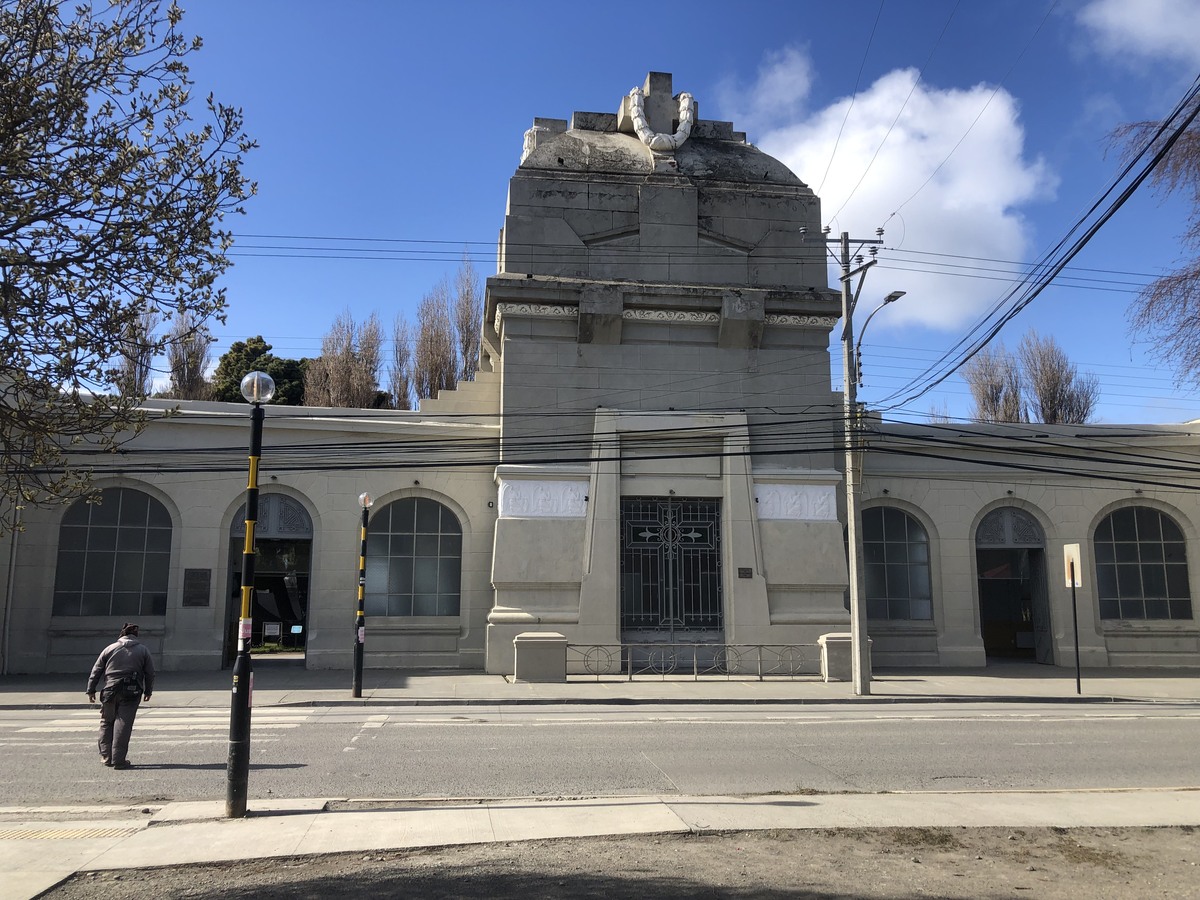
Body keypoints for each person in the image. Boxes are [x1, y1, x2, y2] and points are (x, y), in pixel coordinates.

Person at [86, 623, 155, 769]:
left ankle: (106, 756)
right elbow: (150, 673)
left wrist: (91, 690)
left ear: (121, 634)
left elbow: (96, 670)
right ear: (135, 636)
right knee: (123, 724)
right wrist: (148, 691)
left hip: (110, 690)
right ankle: (118, 759)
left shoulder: (109, 648)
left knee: (107, 722)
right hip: (132, 691)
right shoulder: (143, 650)